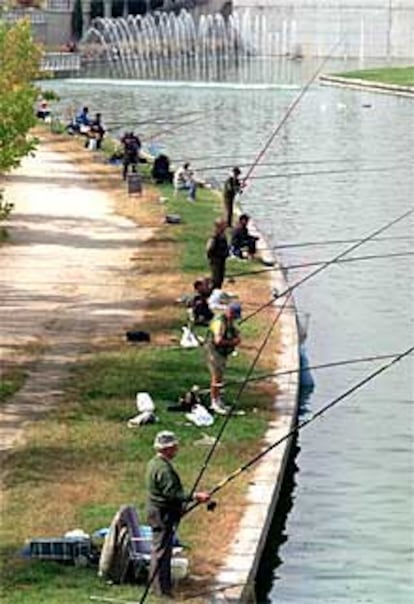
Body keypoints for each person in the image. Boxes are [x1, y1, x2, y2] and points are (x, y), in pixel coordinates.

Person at [146, 431, 209, 597]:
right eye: (175, 447)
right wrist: (196, 496)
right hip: (162, 514)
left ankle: (159, 587)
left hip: (157, 511)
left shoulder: (154, 463)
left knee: (161, 549)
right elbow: (172, 494)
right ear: (168, 448)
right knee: (161, 552)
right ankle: (161, 591)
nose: (177, 449)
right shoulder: (164, 470)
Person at [206, 302, 241, 415]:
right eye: (234, 316)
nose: (234, 319)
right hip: (214, 352)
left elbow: (231, 331)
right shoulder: (219, 322)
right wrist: (233, 342)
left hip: (222, 353)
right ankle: (214, 402)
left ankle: (218, 399)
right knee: (216, 377)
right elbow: (218, 340)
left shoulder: (228, 321)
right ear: (229, 312)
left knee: (220, 377)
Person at [206, 218, 229, 289]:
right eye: (224, 225)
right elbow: (209, 248)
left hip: (222, 259)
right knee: (216, 279)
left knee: (220, 278)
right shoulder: (215, 236)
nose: (225, 226)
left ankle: (217, 292)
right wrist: (212, 257)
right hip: (216, 260)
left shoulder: (223, 235)